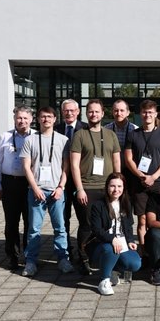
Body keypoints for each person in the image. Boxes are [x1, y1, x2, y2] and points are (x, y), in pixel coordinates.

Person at [21, 106, 74, 277]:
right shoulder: (30, 140)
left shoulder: (63, 140)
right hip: (36, 191)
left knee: (60, 228)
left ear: (55, 119)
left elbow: (67, 167)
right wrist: (35, 188)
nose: (46, 120)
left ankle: (63, 259)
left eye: (49, 117)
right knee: (34, 229)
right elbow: (26, 167)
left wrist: (61, 187)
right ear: (38, 119)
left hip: (56, 191)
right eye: (43, 117)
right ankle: (30, 262)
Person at [70, 99, 121, 275]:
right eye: (90, 112)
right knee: (87, 225)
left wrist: (118, 184)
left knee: (106, 224)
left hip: (107, 188)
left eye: (97, 112)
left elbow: (116, 161)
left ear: (102, 114)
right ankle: (83, 258)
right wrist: (80, 188)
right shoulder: (79, 135)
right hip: (87, 187)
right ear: (86, 113)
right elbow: (74, 165)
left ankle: (100, 256)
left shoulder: (111, 135)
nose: (94, 115)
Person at [124, 99, 160, 250]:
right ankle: (143, 251)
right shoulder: (133, 134)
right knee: (142, 220)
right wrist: (140, 175)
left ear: (156, 113)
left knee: (158, 218)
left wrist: (154, 177)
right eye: (144, 112)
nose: (147, 115)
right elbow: (128, 159)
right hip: (139, 183)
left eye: (150, 112)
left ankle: (159, 249)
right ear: (140, 114)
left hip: (158, 183)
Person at [0, 105, 34, 269]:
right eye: (19, 118)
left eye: (25, 118)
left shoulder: (36, 136)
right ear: (14, 119)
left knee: (30, 221)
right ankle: (13, 256)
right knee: (11, 222)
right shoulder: (5, 136)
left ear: (31, 119)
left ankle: (29, 255)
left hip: (29, 184)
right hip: (10, 182)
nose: (22, 121)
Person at [88, 172, 141, 296]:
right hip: (101, 244)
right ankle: (104, 280)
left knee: (135, 264)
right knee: (112, 249)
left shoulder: (126, 203)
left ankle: (113, 270)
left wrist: (130, 241)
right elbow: (96, 230)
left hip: (121, 241)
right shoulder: (98, 205)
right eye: (112, 186)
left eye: (119, 186)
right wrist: (112, 239)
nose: (116, 189)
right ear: (107, 187)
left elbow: (128, 227)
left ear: (123, 188)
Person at [54, 98, 88, 261]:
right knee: (63, 217)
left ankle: (85, 249)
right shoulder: (55, 129)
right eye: (66, 110)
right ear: (62, 112)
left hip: (81, 181)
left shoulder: (86, 129)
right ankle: (66, 249)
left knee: (84, 217)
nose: (69, 113)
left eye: (72, 110)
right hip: (60, 181)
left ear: (78, 111)